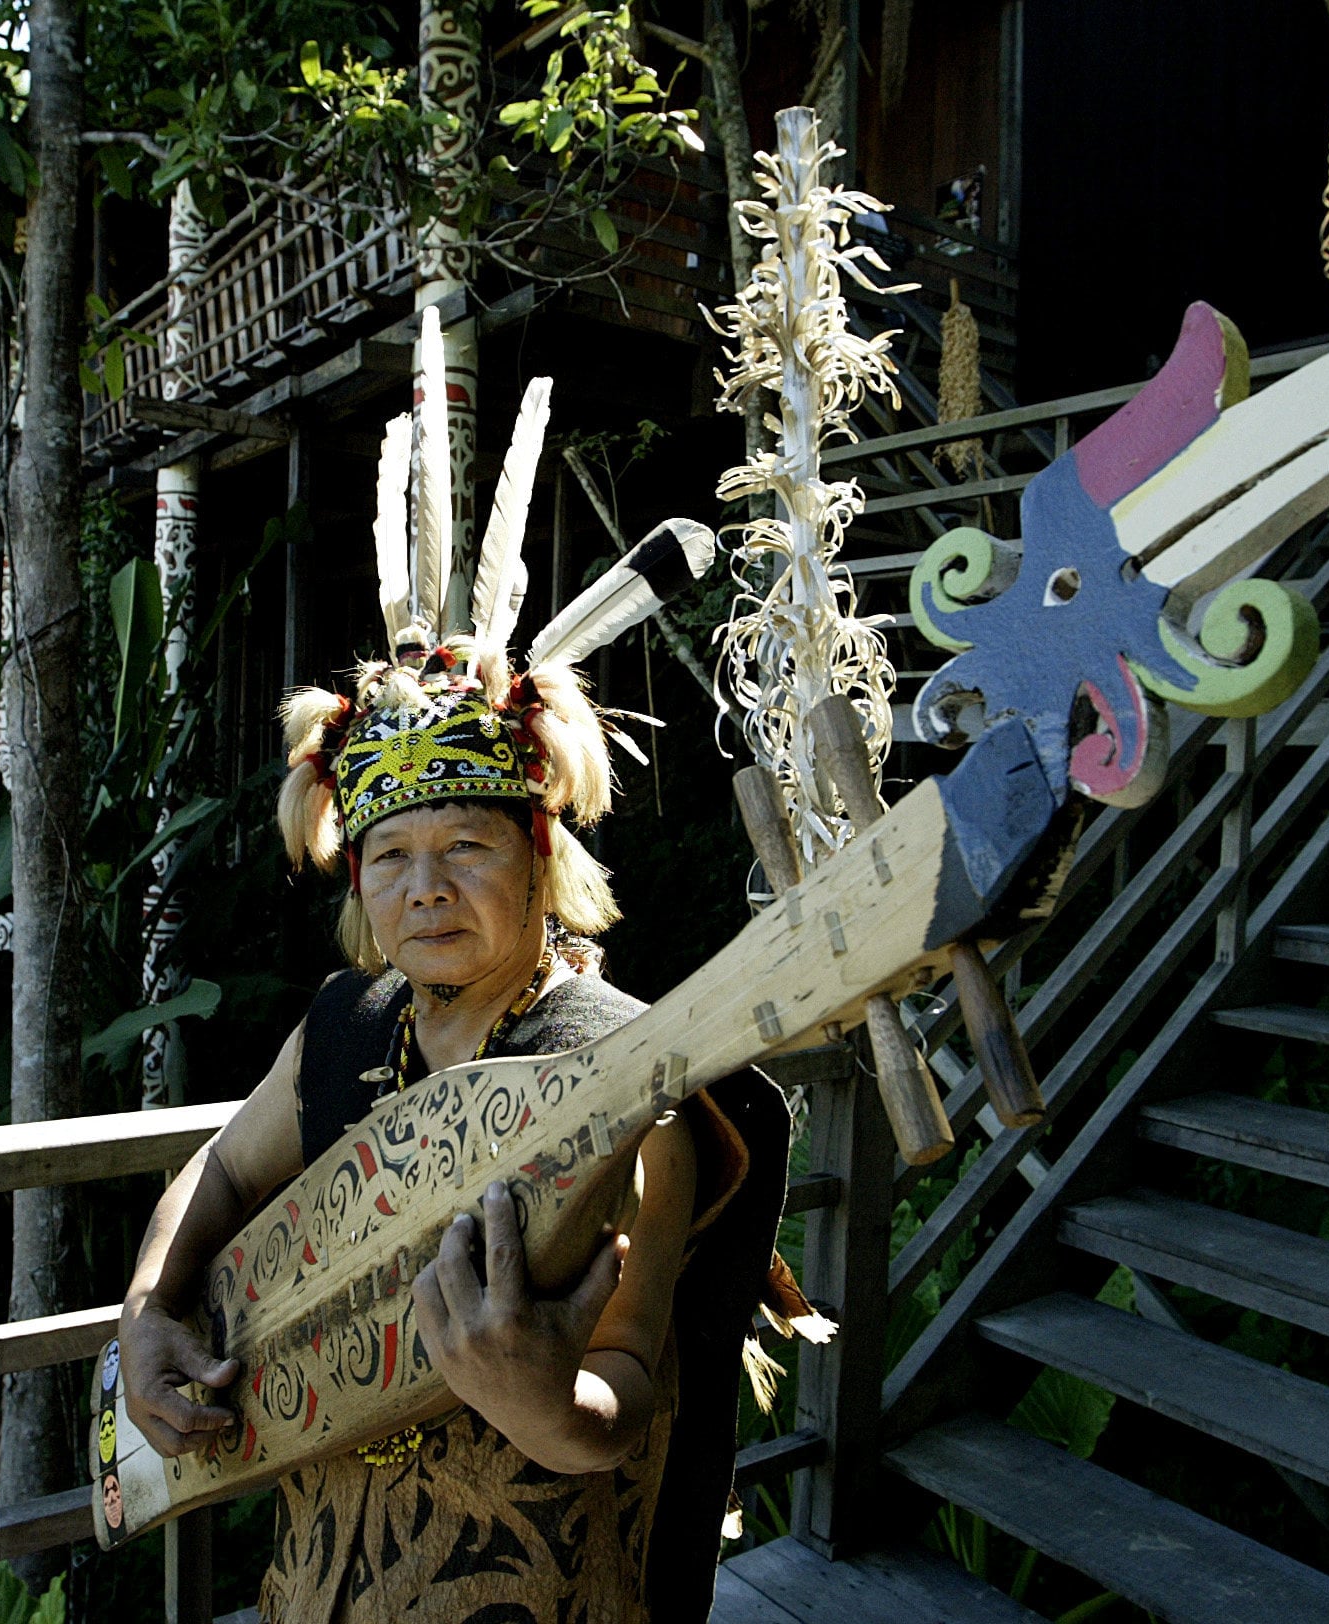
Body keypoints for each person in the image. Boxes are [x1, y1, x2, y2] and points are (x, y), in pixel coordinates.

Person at [116, 323, 816, 1623]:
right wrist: (151, 1312)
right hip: (322, 1577)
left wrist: (550, 1403)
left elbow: (630, 1377)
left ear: (540, 858)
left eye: (465, 846)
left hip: (535, 1584)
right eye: (390, 855)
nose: (423, 887)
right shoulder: (345, 1028)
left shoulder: (620, 1066)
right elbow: (221, 1171)